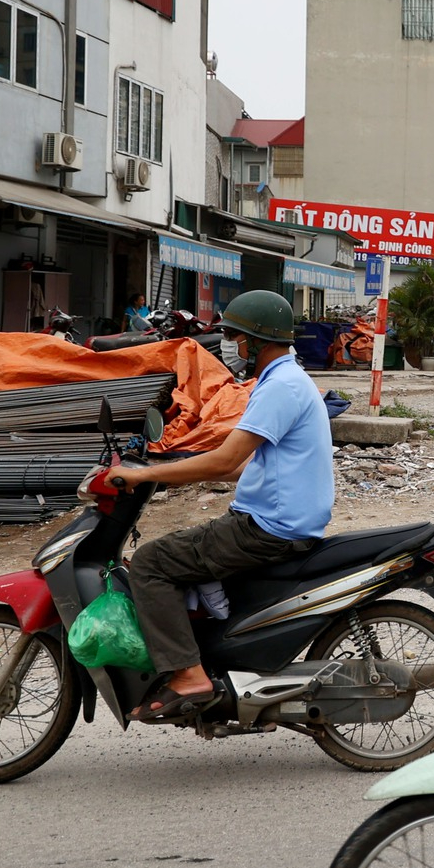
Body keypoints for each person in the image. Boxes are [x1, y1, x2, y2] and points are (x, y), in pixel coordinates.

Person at [106, 289, 334, 721]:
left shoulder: (281, 386)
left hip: (269, 528)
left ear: (257, 340)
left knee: (153, 562)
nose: (231, 343)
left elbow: (227, 459)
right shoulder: (286, 379)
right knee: (183, 549)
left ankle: (189, 675)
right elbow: (239, 465)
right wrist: (166, 467)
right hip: (279, 520)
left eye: (234, 335)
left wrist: (141, 474)